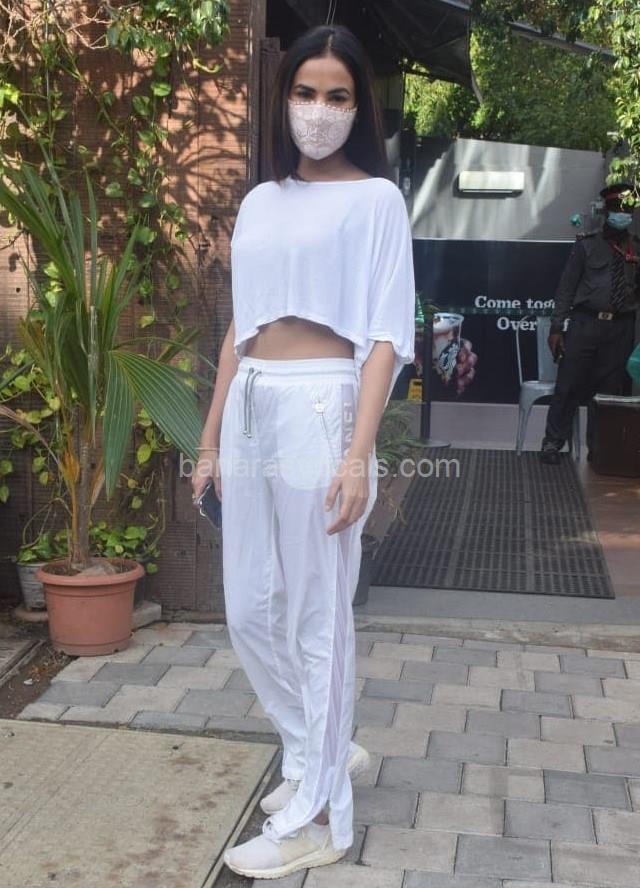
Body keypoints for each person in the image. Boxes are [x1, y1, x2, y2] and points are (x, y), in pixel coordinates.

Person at [191, 24, 416, 880]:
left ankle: (319, 816)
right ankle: (316, 749)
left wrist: (359, 453)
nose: (318, 111)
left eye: (337, 96)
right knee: (250, 609)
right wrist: (209, 437)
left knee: (317, 617)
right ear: (282, 97)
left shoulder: (376, 201)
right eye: (305, 93)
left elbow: (387, 337)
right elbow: (237, 329)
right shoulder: (260, 201)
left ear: (359, 108)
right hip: (251, 402)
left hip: (323, 404)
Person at [540, 181, 640, 465]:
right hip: (585, 323)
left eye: (627, 210)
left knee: (609, 392)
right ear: (607, 210)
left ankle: (600, 449)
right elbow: (566, 289)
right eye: (617, 208)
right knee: (568, 384)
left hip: (621, 328)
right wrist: (557, 328)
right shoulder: (587, 245)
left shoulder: (636, 247)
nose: (622, 214)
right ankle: (552, 442)